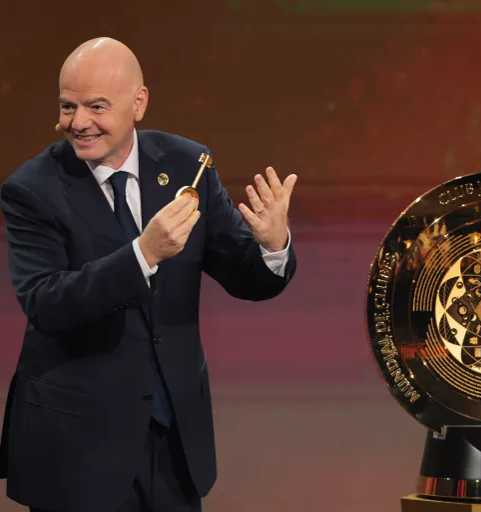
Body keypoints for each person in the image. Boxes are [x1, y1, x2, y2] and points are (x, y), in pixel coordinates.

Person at [0, 37, 297, 512]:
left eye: (97, 106)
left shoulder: (187, 165)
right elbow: (47, 302)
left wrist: (272, 246)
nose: (78, 122)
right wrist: (143, 254)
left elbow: (246, 277)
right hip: (78, 450)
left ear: (138, 103)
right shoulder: (31, 190)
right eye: (68, 106)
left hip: (173, 442)